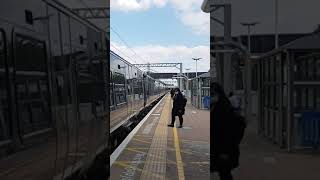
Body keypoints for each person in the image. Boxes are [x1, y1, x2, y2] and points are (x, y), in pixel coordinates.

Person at [211, 83, 245, 180]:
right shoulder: (215, 107)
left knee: (225, 174)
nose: (211, 96)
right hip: (217, 149)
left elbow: (230, 134)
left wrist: (226, 151)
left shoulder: (226, 111)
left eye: (213, 94)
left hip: (225, 151)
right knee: (223, 173)